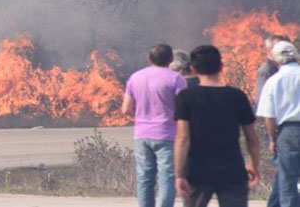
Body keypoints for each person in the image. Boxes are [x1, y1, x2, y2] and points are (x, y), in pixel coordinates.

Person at [174, 45, 261, 207]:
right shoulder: (237, 96)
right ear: (221, 67)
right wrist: (253, 164)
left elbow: (182, 138)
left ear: (193, 69)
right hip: (232, 171)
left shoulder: (185, 97)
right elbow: (251, 138)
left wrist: (179, 174)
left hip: (197, 171)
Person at [122, 44, 187, 207]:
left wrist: (141, 120)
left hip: (141, 135)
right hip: (167, 135)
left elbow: (126, 109)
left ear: (149, 59)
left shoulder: (135, 77)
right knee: (167, 177)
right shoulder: (176, 79)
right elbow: (184, 108)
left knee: (144, 179)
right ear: (171, 59)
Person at [257, 41, 300, 207]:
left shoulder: (274, 81)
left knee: (287, 179)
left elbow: (269, 116)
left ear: (276, 60)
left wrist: (272, 139)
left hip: (287, 133)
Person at [256, 34, 290, 112]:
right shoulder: (266, 71)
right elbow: (262, 100)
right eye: (278, 47)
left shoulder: (286, 68)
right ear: (268, 50)